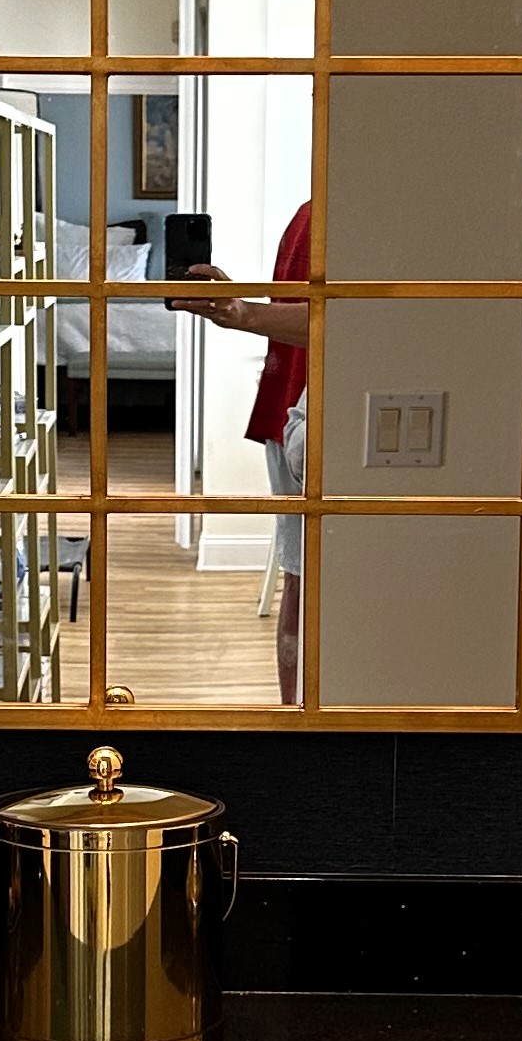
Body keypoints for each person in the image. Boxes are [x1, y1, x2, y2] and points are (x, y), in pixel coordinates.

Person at [180, 200, 309, 705]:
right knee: (305, 581)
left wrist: (243, 312)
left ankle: (295, 714)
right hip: (310, 406)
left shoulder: (309, 213)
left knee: (300, 578)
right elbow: (337, 315)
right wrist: (243, 312)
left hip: (292, 401)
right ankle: (301, 718)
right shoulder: (330, 215)